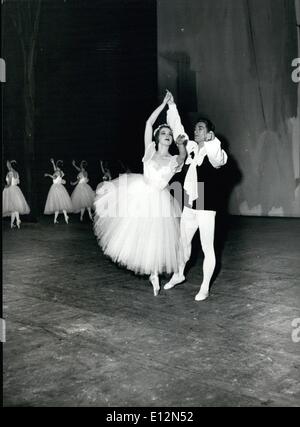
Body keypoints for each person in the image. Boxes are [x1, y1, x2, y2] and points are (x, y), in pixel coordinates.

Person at [94, 91, 186, 295]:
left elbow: (183, 155)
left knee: (156, 237)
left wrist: (180, 145)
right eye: (163, 133)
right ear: (157, 137)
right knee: (138, 235)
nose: (167, 136)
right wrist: (163, 104)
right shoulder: (150, 151)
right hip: (140, 194)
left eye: (169, 134)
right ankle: (152, 273)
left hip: (160, 200)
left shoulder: (173, 160)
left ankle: (153, 273)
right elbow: (148, 123)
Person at [164, 93, 228, 301]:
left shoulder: (216, 152)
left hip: (207, 206)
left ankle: (205, 286)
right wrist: (172, 106)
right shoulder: (192, 148)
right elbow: (178, 129)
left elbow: (218, 159)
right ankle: (179, 274)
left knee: (207, 247)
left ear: (209, 133)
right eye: (197, 128)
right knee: (183, 243)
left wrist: (213, 141)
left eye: (201, 128)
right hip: (191, 204)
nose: (196, 130)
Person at [2, 160, 30, 228]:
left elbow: (9, 184)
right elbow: (18, 182)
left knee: (14, 208)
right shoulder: (16, 173)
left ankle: (17, 221)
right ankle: (14, 223)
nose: (7, 166)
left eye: (8, 165)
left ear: (10, 165)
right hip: (16, 189)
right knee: (14, 208)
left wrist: (4, 186)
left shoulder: (10, 173)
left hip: (10, 190)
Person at [44, 158, 72, 224]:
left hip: (55, 188)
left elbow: (54, 177)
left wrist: (48, 175)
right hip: (60, 188)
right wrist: (53, 163)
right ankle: (59, 219)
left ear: (57, 166)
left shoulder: (57, 172)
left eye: (56, 165)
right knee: (61, 204)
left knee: (59, 204)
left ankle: (65, 217)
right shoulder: (61, 172)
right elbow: (55, 170)